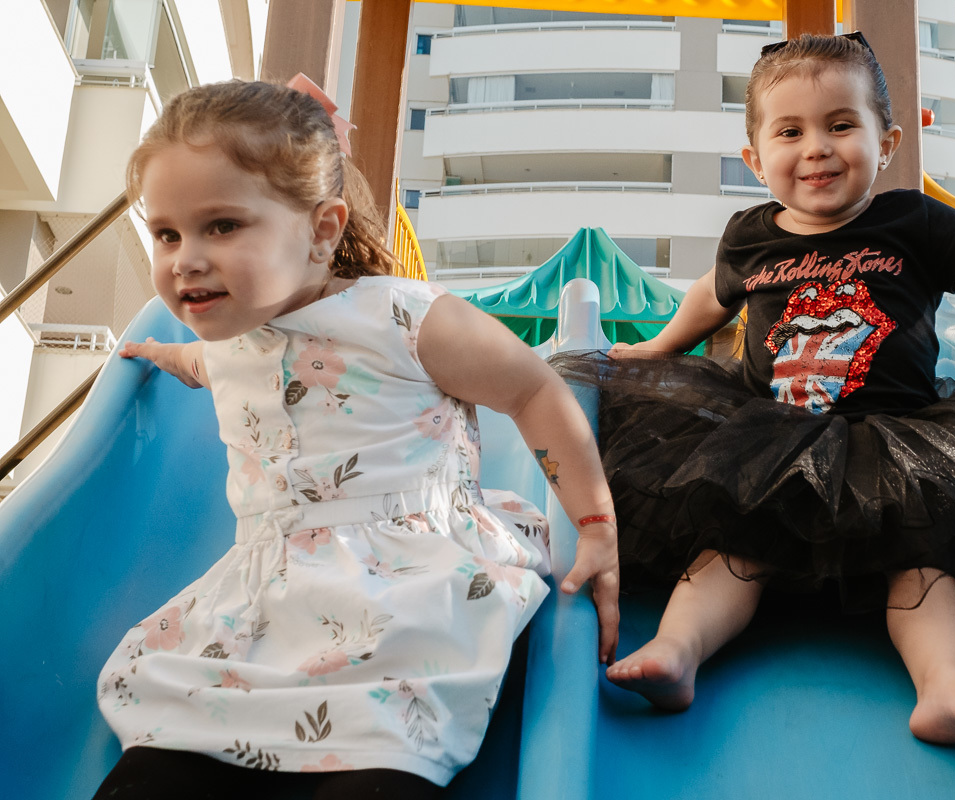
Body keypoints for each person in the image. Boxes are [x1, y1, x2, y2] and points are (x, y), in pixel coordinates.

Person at [554, 33, 955, 748]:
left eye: (841, 124)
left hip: (900, 438)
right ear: (755, 157)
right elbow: (710, 297)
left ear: (884, 142)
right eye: (790, 131)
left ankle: (946, 682)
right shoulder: (749, 237)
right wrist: (657, 348)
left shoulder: (913, 222)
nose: (817, 148)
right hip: (770, 431)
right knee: (731, 540)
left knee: (926, 554)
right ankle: (679, 651)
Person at [93, 79, 618, 799]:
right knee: (161, 757)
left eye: (222, 226)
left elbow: (533, 390)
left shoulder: (400, 318)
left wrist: (592, 524)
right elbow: (201, 365)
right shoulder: (224, 343)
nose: (186, 258)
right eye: (167, 233)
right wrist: (161, 356)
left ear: (322, 228)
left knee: (378, 757)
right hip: (267, 602)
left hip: (410, 585)